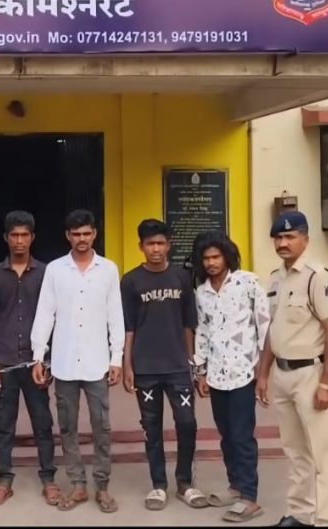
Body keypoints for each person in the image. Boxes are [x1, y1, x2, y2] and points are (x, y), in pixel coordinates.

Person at [31, 209, 124, 514]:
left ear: (94, 234)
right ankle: (78, 484)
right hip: (64, 362)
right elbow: (45, 313)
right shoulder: (55, 270)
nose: (82, 239)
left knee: (102, 426)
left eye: (86, 233)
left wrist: (116, 358)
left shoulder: (108, 269)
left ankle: (102, 486)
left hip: (98, 363)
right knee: (68, 426)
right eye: (76, 234)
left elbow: (115, 315)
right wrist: (38, 356)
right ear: (67, 236)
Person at [257, 211, 328, 527]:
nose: (283, 243)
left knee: (323, 454)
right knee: (295, 451)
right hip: (282, 375)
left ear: (305, 240)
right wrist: (263, 373)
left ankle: (327, 521)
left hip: (309, 374)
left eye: (290, 237)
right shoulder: (276, 278)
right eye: (278, 238)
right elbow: (274, 329)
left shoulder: (317, 277)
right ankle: (299, 514)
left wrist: (327, 384)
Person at [121, 219, 206, 512]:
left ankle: (185, 482)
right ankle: (158, 484)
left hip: (177, 366)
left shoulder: (182, 278)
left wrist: (192, 363)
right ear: (141, 247)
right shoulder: (131, 281)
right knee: (152, 427)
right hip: (145, 367)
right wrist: (127, 364)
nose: (155, 249)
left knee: (187, 422)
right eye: (150, 244)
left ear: (169, 245)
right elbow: (129, 327)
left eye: (160, 243)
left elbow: (188, 324)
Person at [192, 230, 271, 523]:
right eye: (206, 258)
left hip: (244, 374)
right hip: (216, 375)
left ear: (227, 256)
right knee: (226, 435)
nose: (211, 263)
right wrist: (200, 371)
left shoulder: (248, 283)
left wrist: (263, 373)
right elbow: (202, 331)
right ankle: (235, 486)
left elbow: (265, 328)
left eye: (216, 256)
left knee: (242, 436)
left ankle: (250, 497)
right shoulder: (201, 292)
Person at [0, 211, 60, 508]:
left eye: (24, 235)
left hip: (35, 362)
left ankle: (49, 479)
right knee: (4, 423)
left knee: (43, 422)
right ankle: (4, 479)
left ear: (32, 237)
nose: (19, 241)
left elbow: (55, 318)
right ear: (6, 238)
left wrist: (48, 359)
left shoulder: (46, 274)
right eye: (14, 235)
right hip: (4, 361)